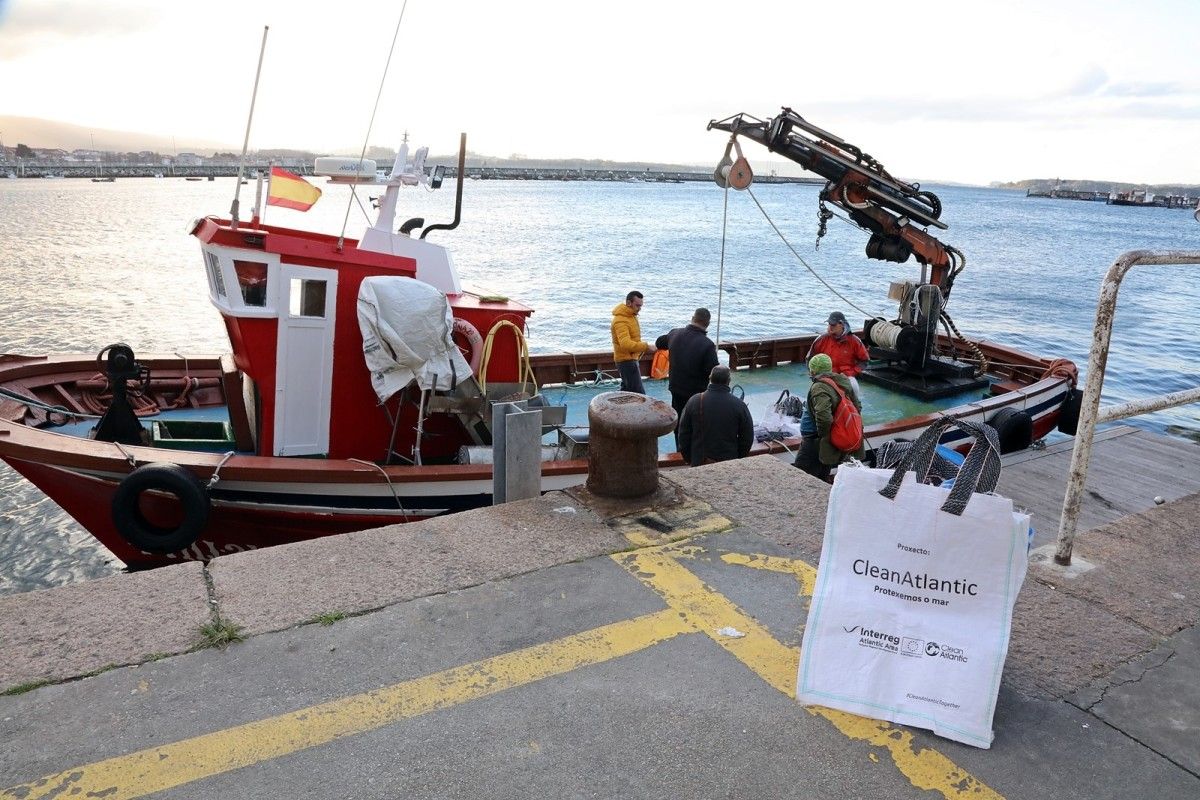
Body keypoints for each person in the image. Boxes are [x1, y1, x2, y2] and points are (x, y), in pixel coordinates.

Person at [793, 353, 866, 482]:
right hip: (829, 442)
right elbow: (857, 407)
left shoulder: (819, 387)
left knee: (801, 478)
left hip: (815, 441)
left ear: (813, 370)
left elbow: (824, 417)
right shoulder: (843, 382)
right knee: (822, 475)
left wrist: (824, 436)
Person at [677, 365, 754, 467]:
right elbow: (747, 438)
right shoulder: (739, 405)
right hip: (729, 463)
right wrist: (738, 458)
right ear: (729, 381)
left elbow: (683, 435)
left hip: (700, 462)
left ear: (710, 378)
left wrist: (690, 459)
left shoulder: (694, 401)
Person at [663, 308, 719, 443]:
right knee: (696, 425)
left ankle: (679, 452)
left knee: (680, 423)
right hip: (696, 394)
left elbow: (660, 343)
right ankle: (694, 455)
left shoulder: (674, 333)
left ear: (692, 318)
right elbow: (713, 372)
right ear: (708, 324)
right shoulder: (707, 345)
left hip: (676, 388)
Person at [806, 311, 869, 399]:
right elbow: (810, 358)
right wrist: (814, 376)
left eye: (833, 325)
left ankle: (855, 409)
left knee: (854, 388)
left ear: (842, 324)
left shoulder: (855, 341)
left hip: (846, 376)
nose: (830, 327)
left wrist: (852, 372)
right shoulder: (821, 339)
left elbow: (864, 361)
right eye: (829, 324)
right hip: (824, 376)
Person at [610, 290, 654, 394]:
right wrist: (646, 347)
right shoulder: (621, 320)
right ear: (629, 303)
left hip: (631, 359)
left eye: (641, 306)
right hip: (626, 361)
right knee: (639, 395)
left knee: (626, 391)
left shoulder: (631, 315)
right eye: (637, 305)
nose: (640, 309)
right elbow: (625, 344)